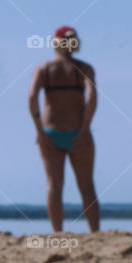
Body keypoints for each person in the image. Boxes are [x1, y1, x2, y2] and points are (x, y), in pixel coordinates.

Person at [28, 26, 99, 233]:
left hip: (51, 132)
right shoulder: (84, 69)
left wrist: (40, 131)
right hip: (78, 131)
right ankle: (95, 234)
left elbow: (32, 98)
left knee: (54, 186)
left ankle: (57, 233)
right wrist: (85, 128)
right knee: (87, 187)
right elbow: (92, 97)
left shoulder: (44, 70)